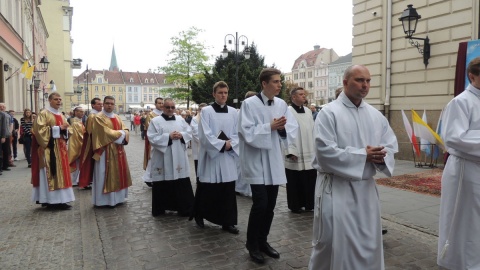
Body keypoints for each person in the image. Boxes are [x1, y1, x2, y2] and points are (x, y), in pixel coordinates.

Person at [308, 65, 398, 270]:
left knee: (368, 242)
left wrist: (380, 157)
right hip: (335, 188)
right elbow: (324, 152)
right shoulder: (329, 113)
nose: (365, 85)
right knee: (331, 242)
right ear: (345, 82)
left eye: (368, 80)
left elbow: (391, 146)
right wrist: (362, 155)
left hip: (365, 190)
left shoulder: (375, 115)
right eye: (359, 80)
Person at [238, 68, 298, 264]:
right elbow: (245, 131)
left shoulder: (281, 104)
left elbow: (291, 129)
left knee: (270, 205)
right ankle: (252, 244)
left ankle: (263, 241)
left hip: (273, 160)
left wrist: (281, 129)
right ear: (264, 84)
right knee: (260, 204)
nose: (280, 85)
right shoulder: (249, 104)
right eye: (276, 81)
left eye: (280, 81)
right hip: (256, 161)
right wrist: (269, 127)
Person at [437, 57, 480, 270]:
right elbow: (454, 137)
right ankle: (458, 263)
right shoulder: (461, 102)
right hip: (465, 170)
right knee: (463, 222)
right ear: (472, 76)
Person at [192, 81, 240, 234]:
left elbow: (238, 132)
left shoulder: (233, 112)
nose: (223, 95)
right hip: (211, 156)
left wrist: (231, 144)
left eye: (225, 92)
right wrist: (221, 144)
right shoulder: (206, 111)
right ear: (214, 94)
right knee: (208, 188)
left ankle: (228, 222)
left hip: (227, 157)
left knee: (227, 190)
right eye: (220, 92)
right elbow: (204, 134)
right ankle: (200, 214)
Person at [143, 98, 194, 216]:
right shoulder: (155, 121)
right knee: (163, 181)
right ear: (163, 108)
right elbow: (151, 137)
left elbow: (189, 132)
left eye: (172, 107)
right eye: (167, 107)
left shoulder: (180, 119)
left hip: (179, 155)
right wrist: (168, 137)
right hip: (163, 156)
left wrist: (182, 135)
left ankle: (184, 208)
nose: (170, 109)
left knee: (180, 181)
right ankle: (161, 208)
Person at [31, 92, 75, 210]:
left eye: (60, 99)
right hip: (48, 150)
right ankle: (51, 200)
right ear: (50, 100)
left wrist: (66, 130)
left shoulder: (61, 115)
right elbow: (39, 130)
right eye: (56, 99)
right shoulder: (43, 113)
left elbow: (68, 130)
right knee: (51, 174)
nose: (59, 101)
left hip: (61, 149)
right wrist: (58, 128)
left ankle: (62, 200)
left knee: (62, 174)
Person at [90, 96, 131, 207]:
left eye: (112, 103)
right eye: (107, 103)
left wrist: (124, 132)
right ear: (103, 104)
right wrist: (121, 133)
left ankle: (118, 198)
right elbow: (104, 132)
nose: (109, 105)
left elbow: (126, 129)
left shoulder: (117, 117)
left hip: (118, 150)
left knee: (119, 172)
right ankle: (104, 201)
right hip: (104, 151)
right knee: (103, 174)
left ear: (114, 105)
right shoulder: (98, 117)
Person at [284, 87, 316, 213]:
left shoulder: (308, 111)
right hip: (295, 151)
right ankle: (295, 205)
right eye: (301, 94)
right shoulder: (288, 111)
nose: (304, 96)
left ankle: (309, 204)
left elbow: (313, 130)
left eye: (304, 94)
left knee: (309, 179)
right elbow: (285, 132)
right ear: (293, 97)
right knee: (295, 179)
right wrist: (290, 151)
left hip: (309, 150)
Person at [78, 98, 103, 189]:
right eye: (99, 104)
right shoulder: (92, 116)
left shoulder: (98, 115)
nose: (101, 105)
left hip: (97, 141)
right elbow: (90, 131)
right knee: (89, 161)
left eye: (101, 104)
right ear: (93, 105)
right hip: (92, 142)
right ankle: (86, 181)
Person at [143, 97, 163, 187]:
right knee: (152, 159)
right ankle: (148, 178)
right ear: (155, 104)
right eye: (159, 103)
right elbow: (148, 128)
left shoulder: (164, 114)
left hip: (163, 140)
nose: (161, 105)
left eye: (162, 103)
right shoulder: (151, 115)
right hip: (154, 141)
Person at [67, 106, 85, 186]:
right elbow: (80, 135)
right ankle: (73, 180)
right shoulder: (75, 123)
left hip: (78, 145)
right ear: (75, 112)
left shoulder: (79, 122)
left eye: (83, 112)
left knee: (78, 164)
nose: (82, 113)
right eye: (80, 111)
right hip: (76, 145)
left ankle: (76, 179)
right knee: (75, 163)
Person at [190, 103, 207, 182]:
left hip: (208, 146)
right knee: (198, 163)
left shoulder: (208, 118)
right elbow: (196, 133)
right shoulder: (195, 119)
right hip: (199, 146)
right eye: (201, 110)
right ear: (199, 110)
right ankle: (198, 180)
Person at [0, 103, 12, 171]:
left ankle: (5, 165)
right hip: (3, 135)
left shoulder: (7, 115)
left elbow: (10, 124)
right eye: (1, 106)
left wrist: (9, 132)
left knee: (6, 151)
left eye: (3, 106)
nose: (2, 108)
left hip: (6, 135)